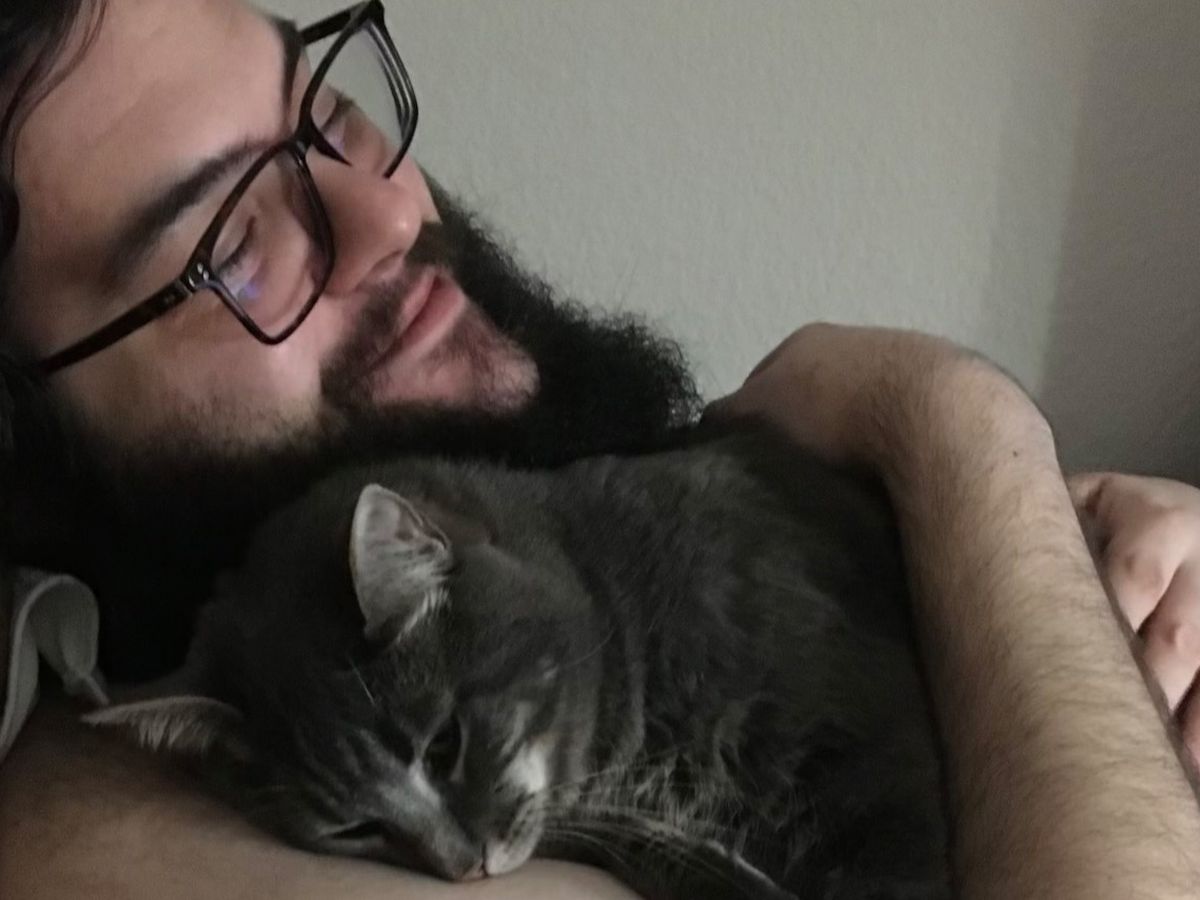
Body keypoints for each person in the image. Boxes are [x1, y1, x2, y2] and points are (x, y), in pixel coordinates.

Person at [0, 1, 1197, 898]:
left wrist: (1055, 602)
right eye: (232, 250)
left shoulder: (593, 543)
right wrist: (959, 426)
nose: (393, 213)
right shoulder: (105, 831)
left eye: (333, 120)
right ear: (33, 471)